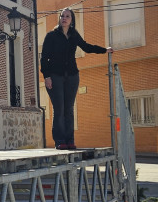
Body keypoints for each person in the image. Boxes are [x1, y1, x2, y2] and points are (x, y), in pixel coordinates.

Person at [40, 8, 112, 150]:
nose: (64, 18)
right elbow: (44, 58)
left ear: (72, 20)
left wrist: (105, 50)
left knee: (69, 109)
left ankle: (70, 140)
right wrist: (46, 76)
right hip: (55, 76)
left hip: (72, 76)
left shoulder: (74, 35)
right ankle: (60, 140)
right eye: (62, 16)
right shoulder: (51, 36)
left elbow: (86, 47)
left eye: (68, 16)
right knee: (59, 108)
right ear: (59, 18)